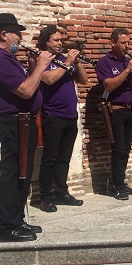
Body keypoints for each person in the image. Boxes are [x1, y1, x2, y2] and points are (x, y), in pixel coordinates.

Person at [0, 13, 54, 242]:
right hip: (13, 122)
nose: (21, 39)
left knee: (23, 171)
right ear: (3, 35)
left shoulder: (5, 58)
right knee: (14, 172)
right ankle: (6, 227)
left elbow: (25, 84)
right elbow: (26, 91)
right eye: (17, 34)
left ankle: (17, 220)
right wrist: (41, 66)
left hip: (21, 121)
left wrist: (33, 68)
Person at [34, 25, 88, 212]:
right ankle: (45, 196)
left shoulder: (64, 59)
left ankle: (61, 192)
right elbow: (48, 79)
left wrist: (77, 62)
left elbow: (84, 80)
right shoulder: (40, 59)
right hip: (52, 115)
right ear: (45, 42)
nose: (60, 43)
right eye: (56, 40)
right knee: (50, 158)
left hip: (70, 115)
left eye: (61, 40)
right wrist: (68, 62)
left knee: (64, 158)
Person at [95, 28, 132, 200]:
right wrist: (127, 69)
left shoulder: (128, 61)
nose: (127, 46)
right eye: (123, 42)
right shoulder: (104, 62)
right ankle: (116, 186)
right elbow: (109, 86)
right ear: (112, 43)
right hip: (115, 111)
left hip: (130, 110)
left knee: (125, 150)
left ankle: (121, 182)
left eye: (128, 42)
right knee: (118, 149)